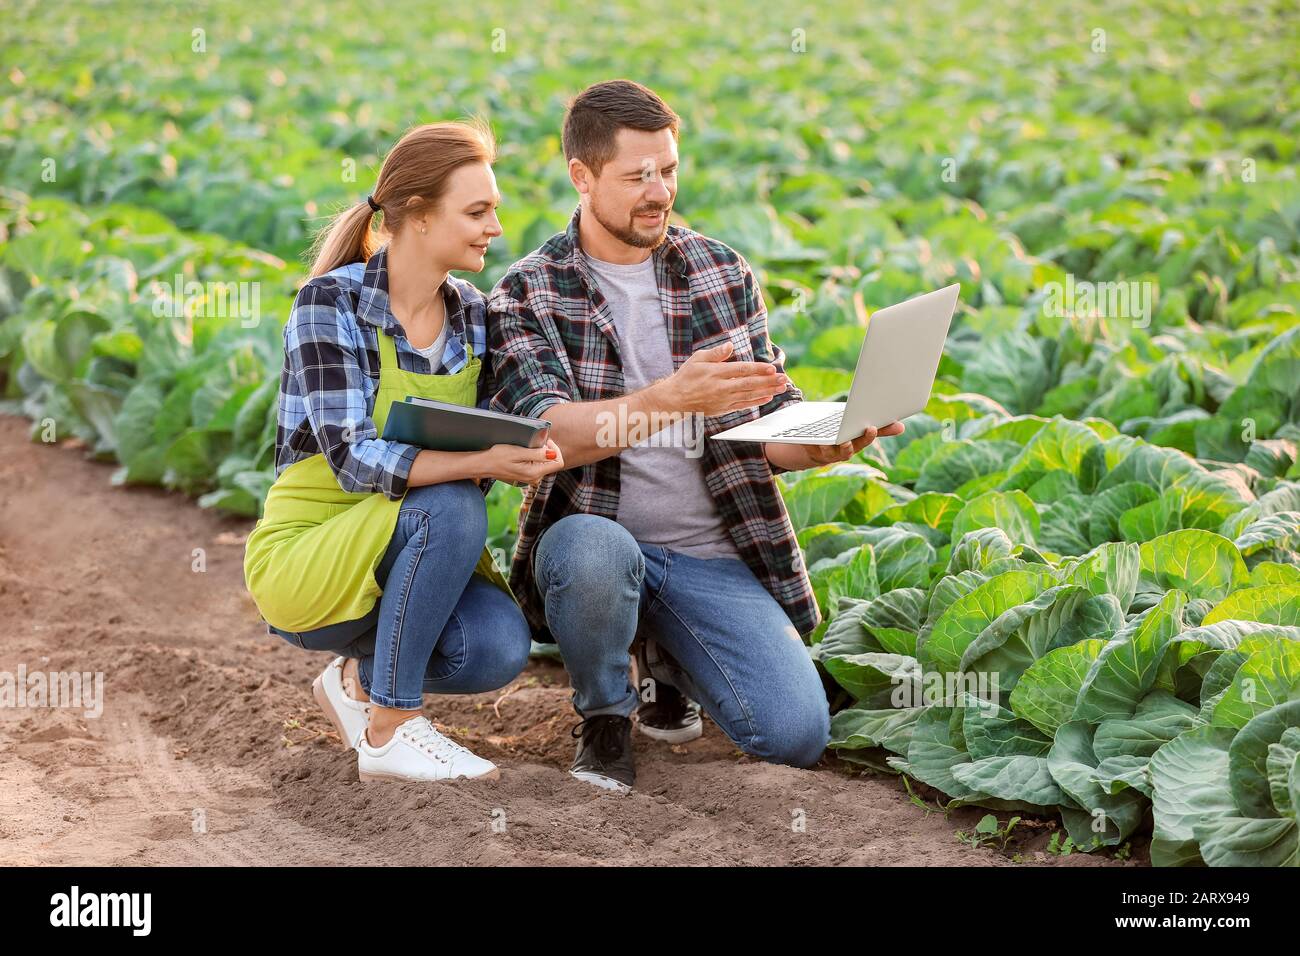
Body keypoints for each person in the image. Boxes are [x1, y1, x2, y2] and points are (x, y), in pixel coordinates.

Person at [487, 80, 903, 792]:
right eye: (637, 175)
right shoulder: (529, 290)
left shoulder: (721, 270)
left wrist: (823, 441)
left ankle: (667, 657)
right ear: (581, 177)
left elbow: (763, 427)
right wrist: (670, 398)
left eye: (669, 170)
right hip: (597, 541)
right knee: (592, 553)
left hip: (712, 554)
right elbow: (548, 433)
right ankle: (606, 713)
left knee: (794, 735)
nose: (659, 191)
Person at [244, 121, 566, 784]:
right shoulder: (328, 304)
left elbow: (533, 403)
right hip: (312, 550)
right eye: (477, 212)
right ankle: (390, 730)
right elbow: (354, 460)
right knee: (449, 505)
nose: (495, 228)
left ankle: (357, 686)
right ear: (417, 216)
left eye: (494, 211)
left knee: (496, 646)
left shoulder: (475, 315)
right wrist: (481, 463)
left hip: (403, 545)